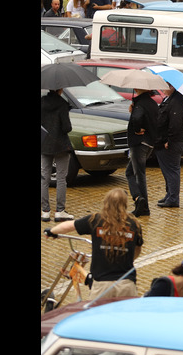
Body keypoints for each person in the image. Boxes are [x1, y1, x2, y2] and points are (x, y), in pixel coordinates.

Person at [44, 188, 144, 300]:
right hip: (126, 284)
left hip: (101, 285)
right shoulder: (135, 224)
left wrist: (52, 231)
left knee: (97, 315)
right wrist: (127, 258)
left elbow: (68, 226)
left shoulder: (95, 219)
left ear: (106, 202)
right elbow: (137, 249)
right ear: (125, 204)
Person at [126, 88, 161, 217]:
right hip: (150, 143)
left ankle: (142, 204)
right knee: (130, 172)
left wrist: (136, 129)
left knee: (138, 175)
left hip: (139, 143)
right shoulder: (152, 103)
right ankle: (140, 201)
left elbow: (137, 118)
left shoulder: (140, 103)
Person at [41, 88, 74, 222]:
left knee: (44, 178)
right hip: (61, 145)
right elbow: (67, 128)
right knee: (61, 178)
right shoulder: (62, 104)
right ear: (60, 89)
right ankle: (60, 211)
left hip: (44, 144)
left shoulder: (42, 101)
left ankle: (45, 211)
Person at [155, 83, 183, 208]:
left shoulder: (176, 101)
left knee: (172, 170)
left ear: (172, 87)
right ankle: (169, 195)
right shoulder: (168, 99)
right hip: (164, 141)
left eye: (165, 85)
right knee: (167, 171)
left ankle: (173, 198)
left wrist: (170, 140)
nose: (162, 88)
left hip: (172, 142)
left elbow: (175, 123)